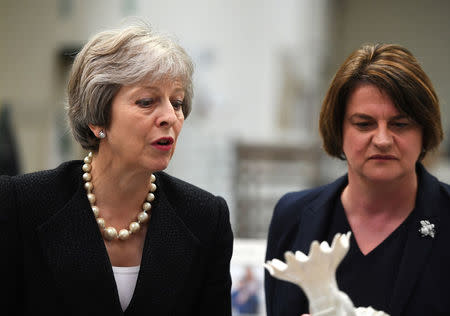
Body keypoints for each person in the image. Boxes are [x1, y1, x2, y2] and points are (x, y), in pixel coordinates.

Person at [1, 24, 233, 315]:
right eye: (147, 102)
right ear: (97, 119)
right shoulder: (21, 204)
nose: (170, 118)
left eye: (176, 102)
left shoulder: (206, 218)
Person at [265, 43, 450, 316]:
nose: (383, 140)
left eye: (400, 124)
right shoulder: (292, 216)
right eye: (364, 124)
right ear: (338, 130)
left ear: (424, 130)